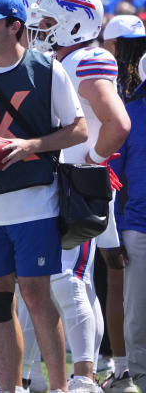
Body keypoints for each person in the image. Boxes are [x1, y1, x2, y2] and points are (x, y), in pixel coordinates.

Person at [0, 0, 88, 392]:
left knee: (35, 293)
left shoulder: (47, 69)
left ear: (16, 26)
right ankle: (7, 388)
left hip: (36, 198)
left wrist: (32, 145)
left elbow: (78, 128)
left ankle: (59, 387)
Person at [27, 0, 132, 392]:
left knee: (67, 279)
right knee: (76, 283)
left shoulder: (89, 58)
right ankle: (56, 373)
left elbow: (117, 123)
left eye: (50, 22)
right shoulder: (66, 59)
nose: (41, 29)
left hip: (79, 183)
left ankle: (85, 376)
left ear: (76, 22)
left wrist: (91, 159)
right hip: (67, 179)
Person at [112, 65, 146, 393]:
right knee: (137, 313)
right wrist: (118, 231)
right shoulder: (129, 115)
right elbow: (114, 180)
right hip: (138, 226)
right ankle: (140, 377)